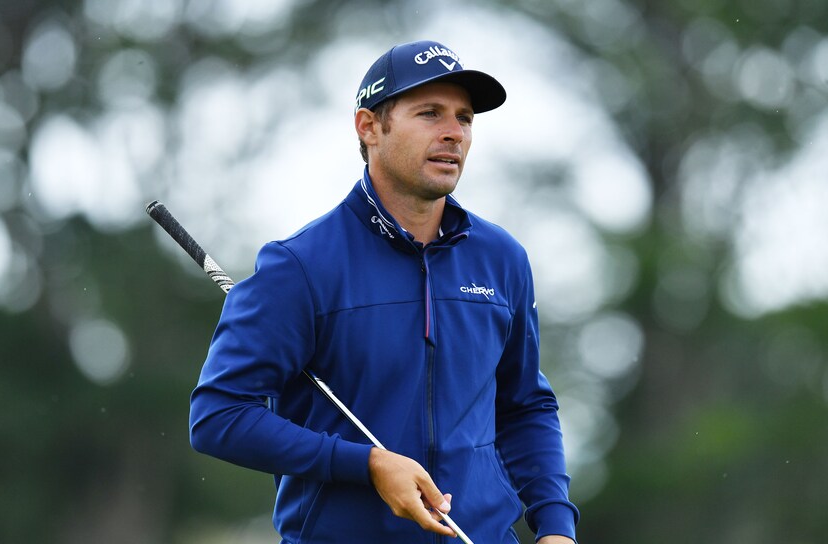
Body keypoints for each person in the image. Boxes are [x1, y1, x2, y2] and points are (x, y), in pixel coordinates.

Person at [189, 39, 579, 543]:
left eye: (464, 118)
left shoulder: (502, 259)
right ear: (369, 127)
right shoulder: (300, 265)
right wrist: (366, 463)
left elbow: (524, 406)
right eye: (430, 113)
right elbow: (219, 416)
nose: (452, 133)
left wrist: (556, 526)